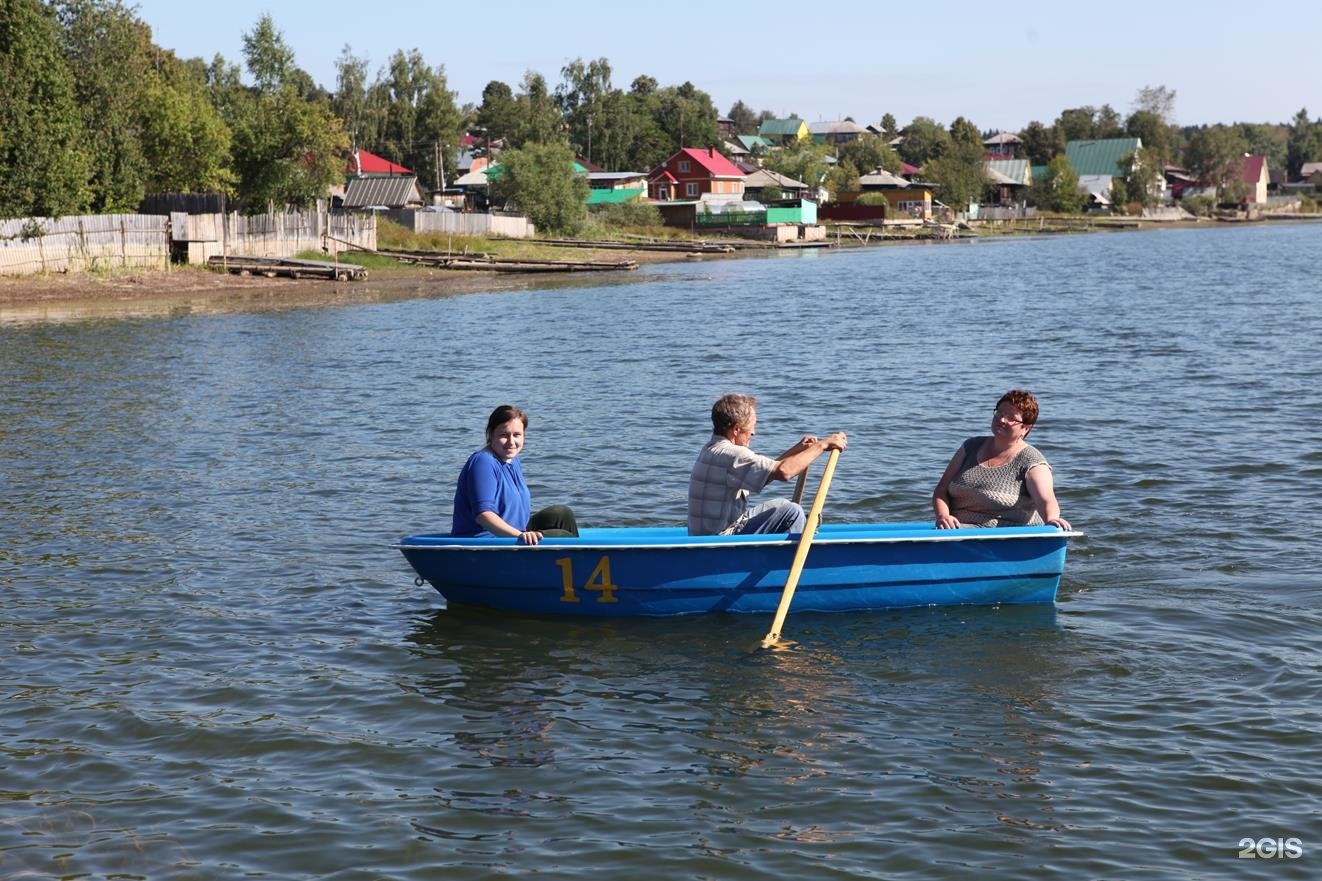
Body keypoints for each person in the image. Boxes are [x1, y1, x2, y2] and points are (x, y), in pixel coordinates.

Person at [688, 393, 847, 536]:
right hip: (720, 543)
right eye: (752, 426)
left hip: (713, 533)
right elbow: (785, 472)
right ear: (736, 430)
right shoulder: (734, 455)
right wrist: (823, 445)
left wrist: (798, 450)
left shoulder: (711, 449)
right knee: (792, 512)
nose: (753, 432)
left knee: (783, 505)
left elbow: (770, 472)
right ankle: (786, 562)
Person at [932, 389, 1071, 530]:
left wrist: (1052, 519)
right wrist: (943, 516)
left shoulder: (1032, 461)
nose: (1002, 419)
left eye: (1011, 418)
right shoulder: (970, 447)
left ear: (1026, 428)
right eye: (999, 413)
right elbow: (941, 490)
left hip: (1001, 537)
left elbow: (1045, 500)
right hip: (955, 531)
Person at [451, 405, 578, 545]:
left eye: (517, 435)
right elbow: (483, 516)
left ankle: (575, 562)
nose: (511, 442)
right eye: (504, 435)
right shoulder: (483, 462)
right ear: (490, 434)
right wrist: (520, 536)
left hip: (513, 533)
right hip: (486, 542)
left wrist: (523, 533)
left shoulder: (512, 460)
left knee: (561, 514)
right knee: (561, 535)